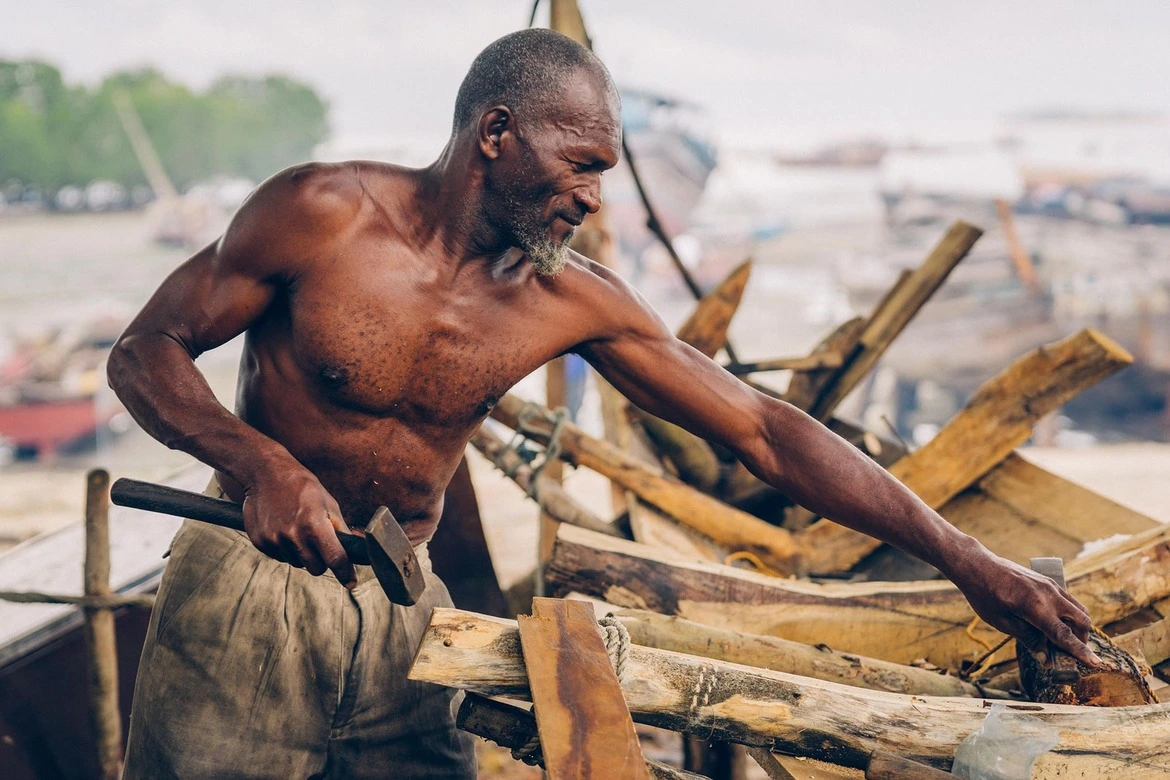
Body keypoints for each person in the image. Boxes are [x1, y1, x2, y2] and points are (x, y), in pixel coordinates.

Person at [109, 27, 1100, 779]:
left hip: (405, 602)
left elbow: (766, 432)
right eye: (580, 163)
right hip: (245, 586)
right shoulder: (322, 214)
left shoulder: (572, 299)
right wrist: (262, 466)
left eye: (603, 173)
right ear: (496, 133)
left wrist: (970, 561)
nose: (592, 198)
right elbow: (146, 351)